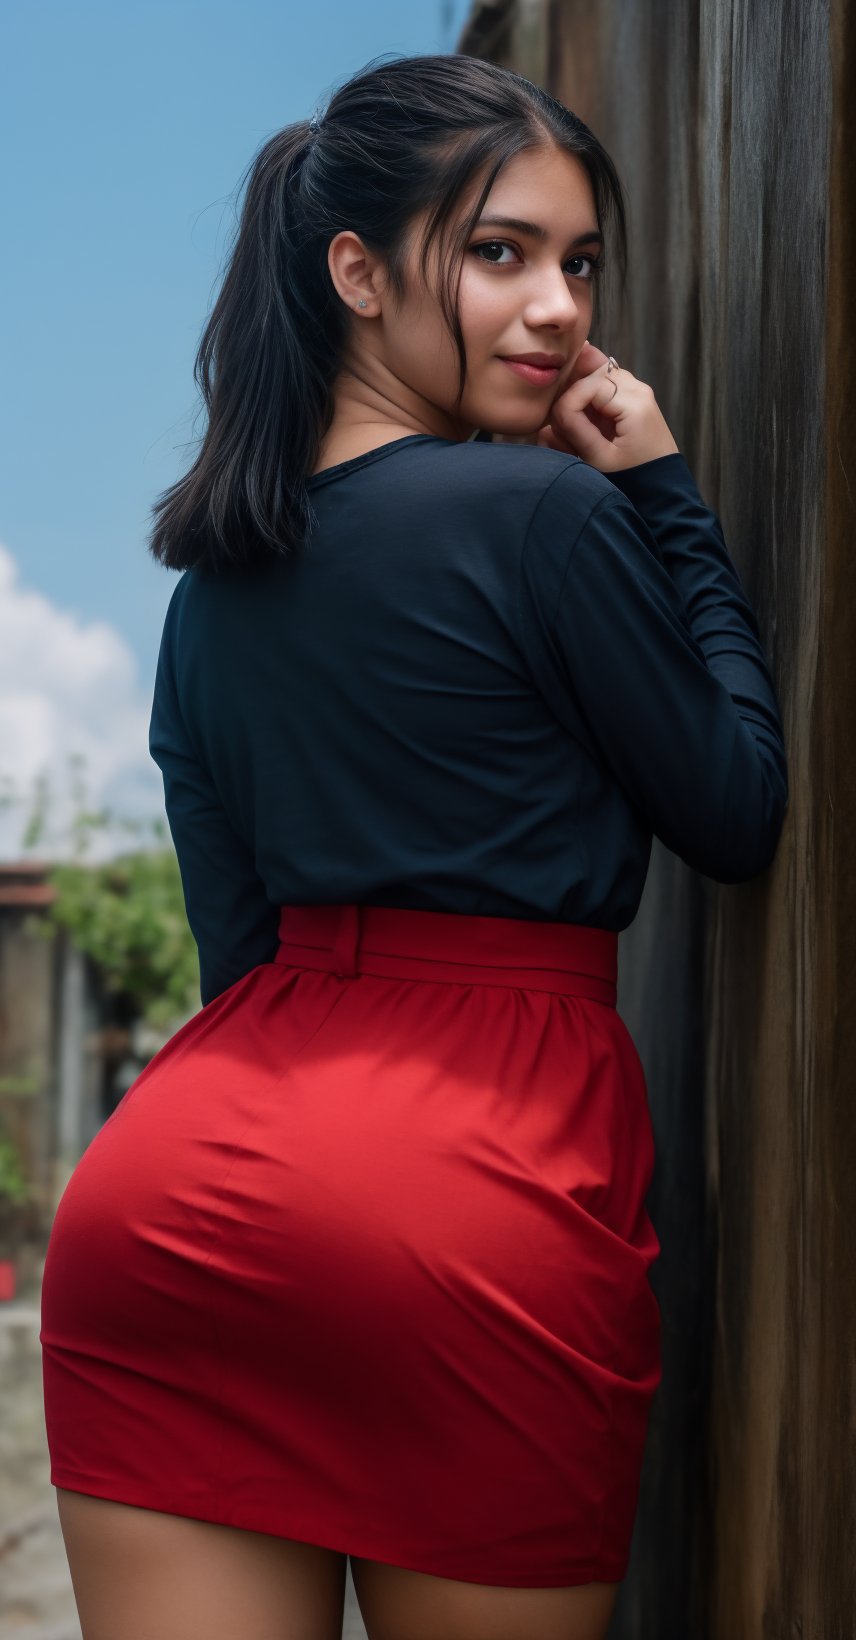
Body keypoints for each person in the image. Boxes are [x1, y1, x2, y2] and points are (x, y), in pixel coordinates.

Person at [39, 51, 789, 1640]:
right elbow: (734, 805)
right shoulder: (554, 520)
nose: (560, 308)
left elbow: (241, 957)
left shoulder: (207, 601)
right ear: (358, 275)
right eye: (502, 251)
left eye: (582, 262)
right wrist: (665, 496)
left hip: (178, 1212)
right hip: (478, 1205)